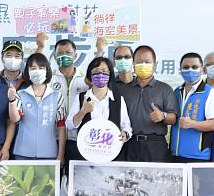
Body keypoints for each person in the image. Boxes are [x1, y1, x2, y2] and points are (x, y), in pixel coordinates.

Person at [117, 45, 179, 162]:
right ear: (133, 64)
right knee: (128, 179)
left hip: (155, 145)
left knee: (156, 179)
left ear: (154, 64)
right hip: (129, 143)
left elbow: (173, 118)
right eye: (139, 62)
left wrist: (163, 116)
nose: (143, 65)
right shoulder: (124, 90)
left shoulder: (165, 89)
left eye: (147, 62)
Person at [66, 56, 132, 161]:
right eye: (96, 71)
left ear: (110, 75)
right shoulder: (81, 98)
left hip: (111, 154)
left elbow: (126, 126)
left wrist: (125, 134)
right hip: (85, 155)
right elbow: (69, 125)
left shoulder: (118, 99)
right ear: (90, 75)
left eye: (105, 71)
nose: (100, 75)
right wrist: (83, 111)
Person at [8, 53, 66, 161]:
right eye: (33, 68)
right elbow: (15, 118)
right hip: (23, 153)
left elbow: (61, 127)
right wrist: (11, 100)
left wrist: (61, 154)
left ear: (47, 70)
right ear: (28, 72)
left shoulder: (57, 96)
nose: (37, 71)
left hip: (49, 154)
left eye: (41, 68)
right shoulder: (21, 94)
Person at [169, 53, 214, 162]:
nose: (190, 70)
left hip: (197, 157)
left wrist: (192, 124)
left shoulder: (210, 92)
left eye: (194, 67)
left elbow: (213, 124)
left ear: (202, 69)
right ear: (180, 70)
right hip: (175, 154)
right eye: (186, 67)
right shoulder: (177, 91)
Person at [51, 39, 89, 167]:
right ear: (55, 56)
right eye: (60, 53)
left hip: (78, 139)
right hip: (54, 139)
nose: (64, 56)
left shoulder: (86, 80)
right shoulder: (48, 79)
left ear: (76, 55)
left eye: (68, 52)